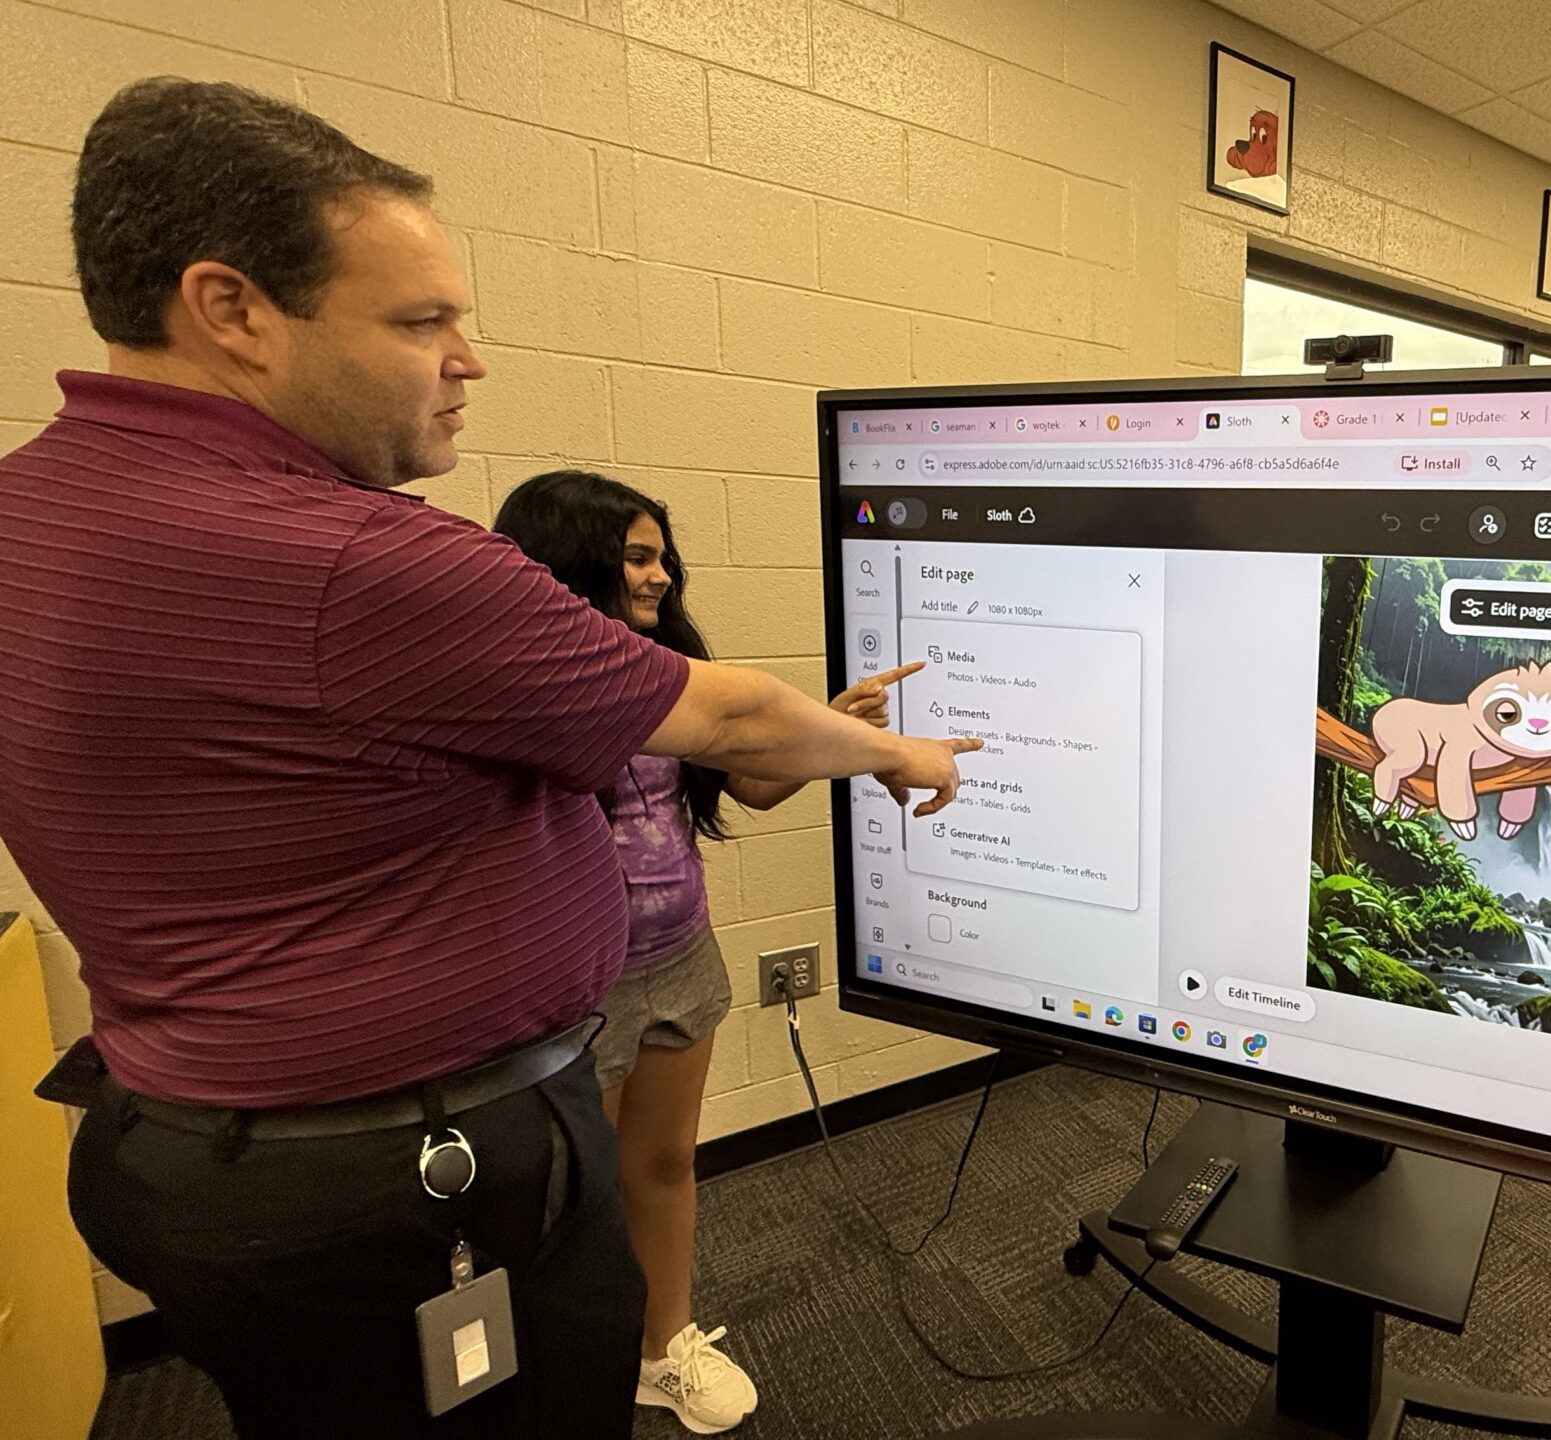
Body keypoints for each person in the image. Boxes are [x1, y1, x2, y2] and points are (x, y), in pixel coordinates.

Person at [0, 78, 975, 1439]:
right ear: (228, 310)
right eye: (420, 321)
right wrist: (903, 747)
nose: (469, 359)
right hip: (399, 1183)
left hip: (174, 1151)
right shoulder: (363, 559)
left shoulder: (25, 512)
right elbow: (738, 725)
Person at [490, 470, 915, 1433]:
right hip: (575, 983)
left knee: (667, 1162)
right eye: (637, 557)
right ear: (575, 561)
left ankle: (663, 1345)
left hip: (680, 956)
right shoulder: (525, 687)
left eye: (662, 555)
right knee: (577, 1188)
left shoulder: (673, 669)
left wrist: (839, 736)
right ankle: (575, 1359)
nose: (660, 575)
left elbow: (748, 791)